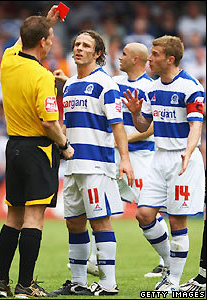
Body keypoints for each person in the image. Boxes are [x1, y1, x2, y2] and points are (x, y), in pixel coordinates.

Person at [0, 6, 74, 298]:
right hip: (38, 149)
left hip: (12, 146)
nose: (51, 41)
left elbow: (20, 43)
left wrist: (45, 23)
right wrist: (65, 146)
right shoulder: (42, 76)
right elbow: (48, 122)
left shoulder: (6, 60)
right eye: (50, 37)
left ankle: (2, 284)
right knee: (33, 218)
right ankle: (25, 285)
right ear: (43, 43)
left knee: (12, 217)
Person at [51, 29, 134, 296]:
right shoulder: (71, 83)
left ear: (98, 53)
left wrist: (125, 159)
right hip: (73, 165)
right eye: (76, 44)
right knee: (73, 222)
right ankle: (78, 283)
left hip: (97, 165)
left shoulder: (106, 83)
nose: (79, 48)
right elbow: (68, 125)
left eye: (86, 45)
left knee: (100, 222)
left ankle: (109, 284)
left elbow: (118, 125)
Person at [123, 35, 205, 292]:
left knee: (177, 222)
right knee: (144, 214)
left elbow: (196, 126)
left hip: (182, 159)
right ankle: (171, 264)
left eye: (155, 54)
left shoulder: (191, 87)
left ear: (170, 59)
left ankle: (173, 282)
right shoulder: (152, 88)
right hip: (159, 158)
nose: (150, 59)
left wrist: (188, 153)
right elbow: (144, 126)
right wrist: (136, 113)